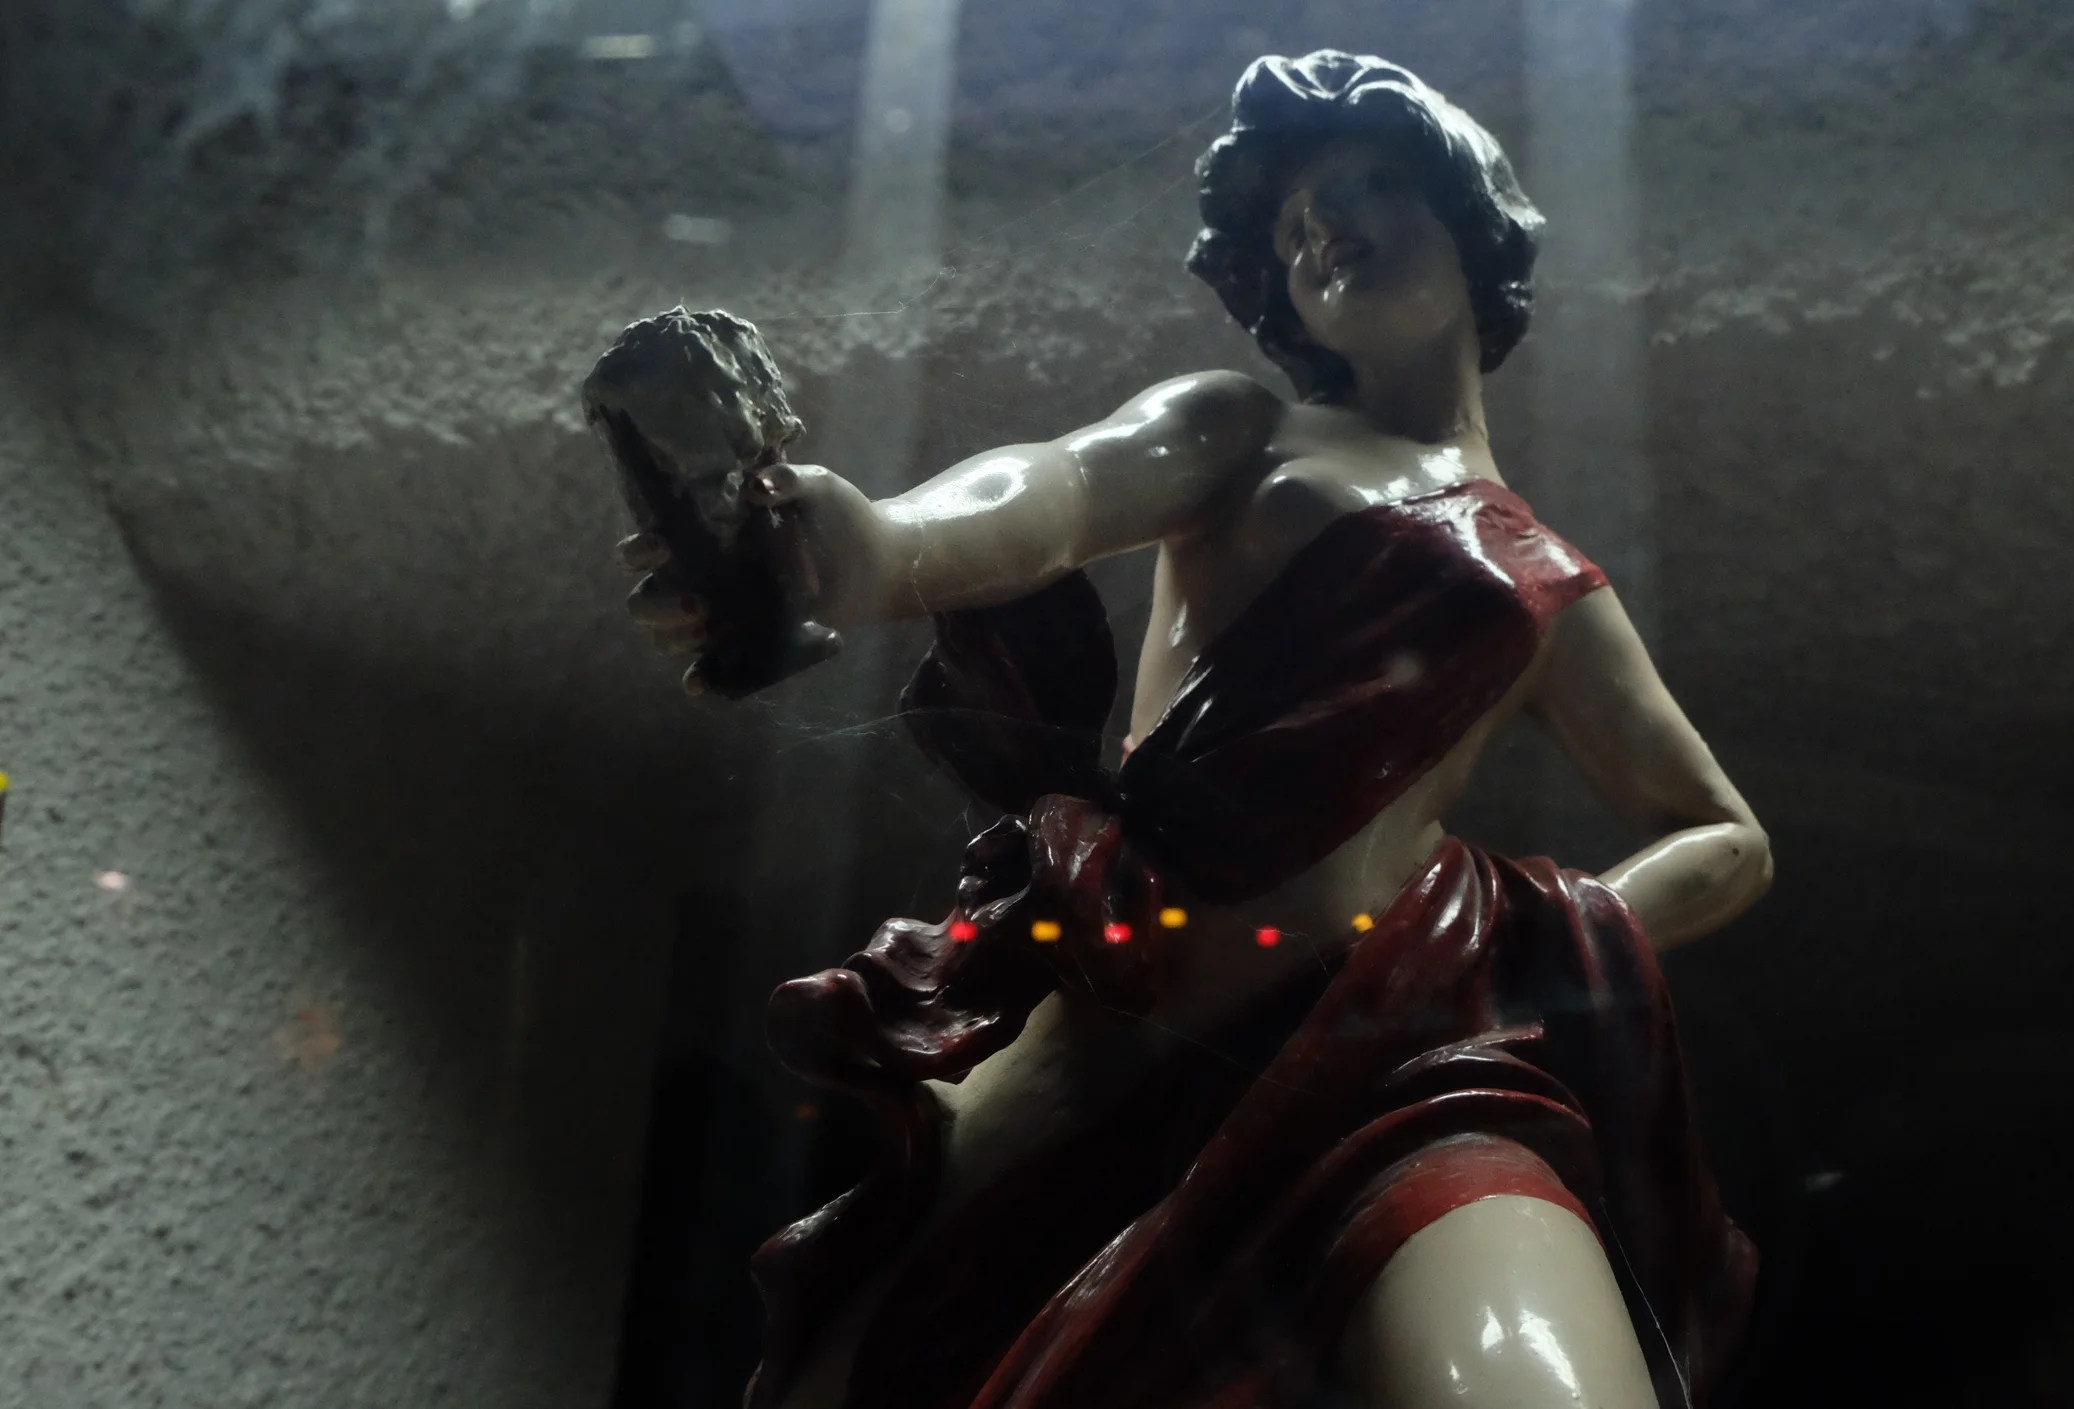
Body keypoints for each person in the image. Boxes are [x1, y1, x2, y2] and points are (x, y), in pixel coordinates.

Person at [619, 50, 1771, 1409]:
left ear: (1472, 222)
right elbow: (1051, 492)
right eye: (1292, 224)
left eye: (1371, 184)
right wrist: (869, 547)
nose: (1324, 227)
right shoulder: (1243, 429)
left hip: (1385, 1065)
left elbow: (1724, 836)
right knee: (879, 1354)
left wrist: (1545, 936)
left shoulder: (1550, 580)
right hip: (1113, 1054)